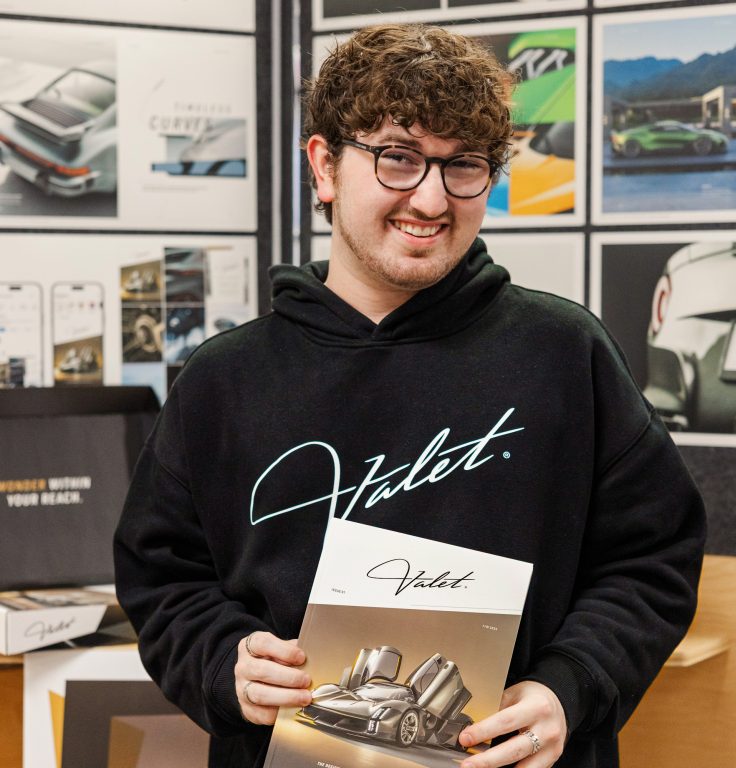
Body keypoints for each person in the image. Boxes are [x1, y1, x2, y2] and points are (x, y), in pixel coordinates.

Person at [114, 23, 706, 768]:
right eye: (397, 158)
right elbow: (162, 577)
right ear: (325, 166)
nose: (431, 198)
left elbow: (652, 561)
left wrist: (570, 689)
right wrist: (220, 660)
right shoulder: (222, 382)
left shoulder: (565, 355)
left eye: (464, 166)